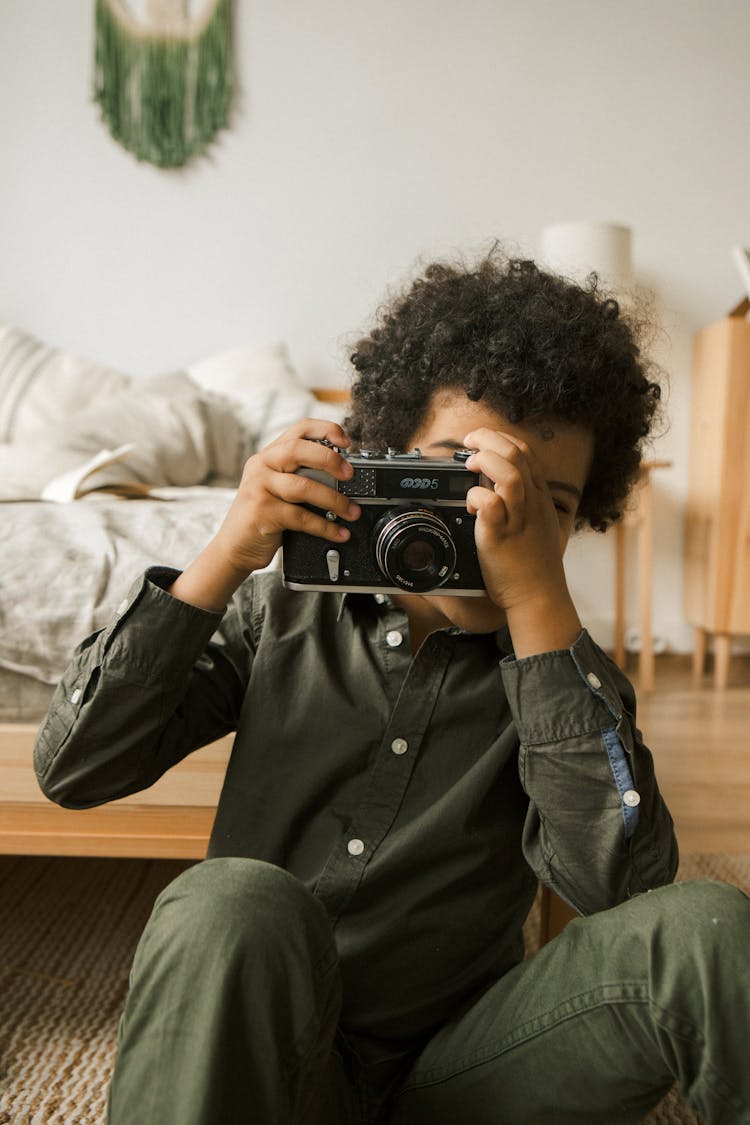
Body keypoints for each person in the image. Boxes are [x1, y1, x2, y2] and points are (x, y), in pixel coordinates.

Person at [35, 251, 749, 1125]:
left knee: (710, 926)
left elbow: (630, 893)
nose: (499, 520)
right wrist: (224, 554)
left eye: (546, 503)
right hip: (277, 1069)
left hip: (461, 1081)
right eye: (466, 479)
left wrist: (535, 601)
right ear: (384, 469)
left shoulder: (564, 673)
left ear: (585, 517)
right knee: (229, 899)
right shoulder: (282, 611)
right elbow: (75, 769)